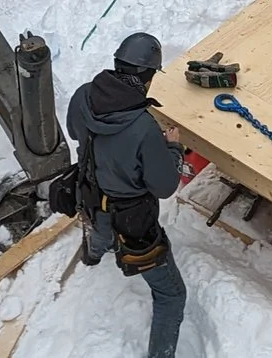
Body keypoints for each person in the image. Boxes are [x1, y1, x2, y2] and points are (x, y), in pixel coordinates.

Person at [65, 31, 186, 358]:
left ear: (118, 63)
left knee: (98, 229)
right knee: (171, 296)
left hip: (90, 197)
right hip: (132, 221)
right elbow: (164, 186)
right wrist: (172, 149)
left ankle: (93, 254)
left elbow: (77, 132)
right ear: (148, 77)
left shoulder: (83, 96)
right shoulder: (144, 127)